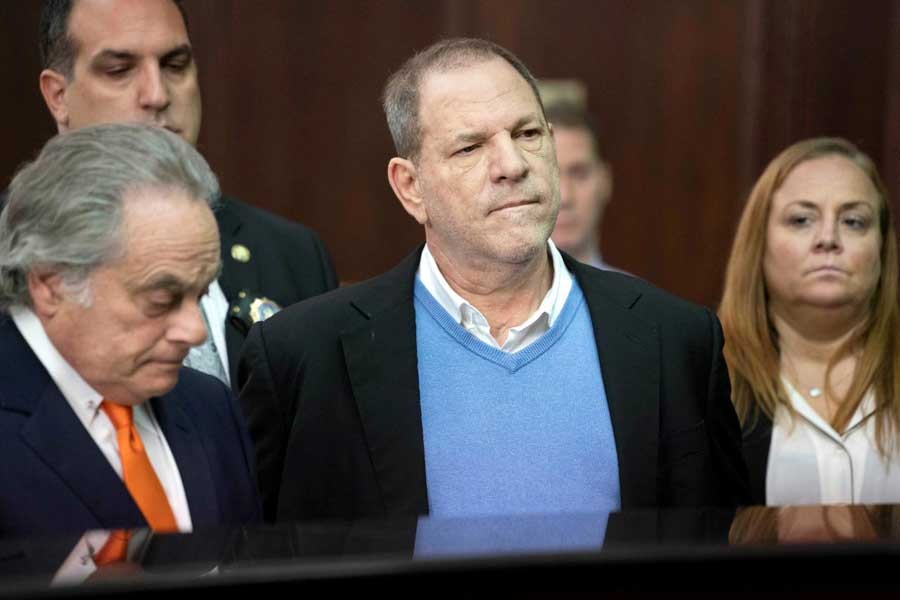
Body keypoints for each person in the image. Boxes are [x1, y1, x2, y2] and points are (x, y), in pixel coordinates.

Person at [238, 38, 750, 523]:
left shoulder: (675, 339)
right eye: (470, 148)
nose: (511, 164)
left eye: (527, 134)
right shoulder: (304, 358)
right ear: (410, 187)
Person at [35, 0, 338, 388]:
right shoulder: (15, 254)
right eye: (119, 70)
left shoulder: (292, 255)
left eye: (175, 65)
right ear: (58, 95)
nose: (157, 94)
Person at [0, 122, 261, 537]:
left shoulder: (210, 407)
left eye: (200, 295)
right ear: (50, 283)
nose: (195, 331)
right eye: (161, 299)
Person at [719, 137, 900, 505]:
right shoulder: (706, 378)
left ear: (882, 247)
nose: (829, 239)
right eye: (801, 220)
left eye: (853, 221)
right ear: (759, 243)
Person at [545, 102, 621, 272]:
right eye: (550, 175)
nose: (565, 197)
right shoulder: (485, 297)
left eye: (580, 174)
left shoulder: (639, 297)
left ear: (605, 181)